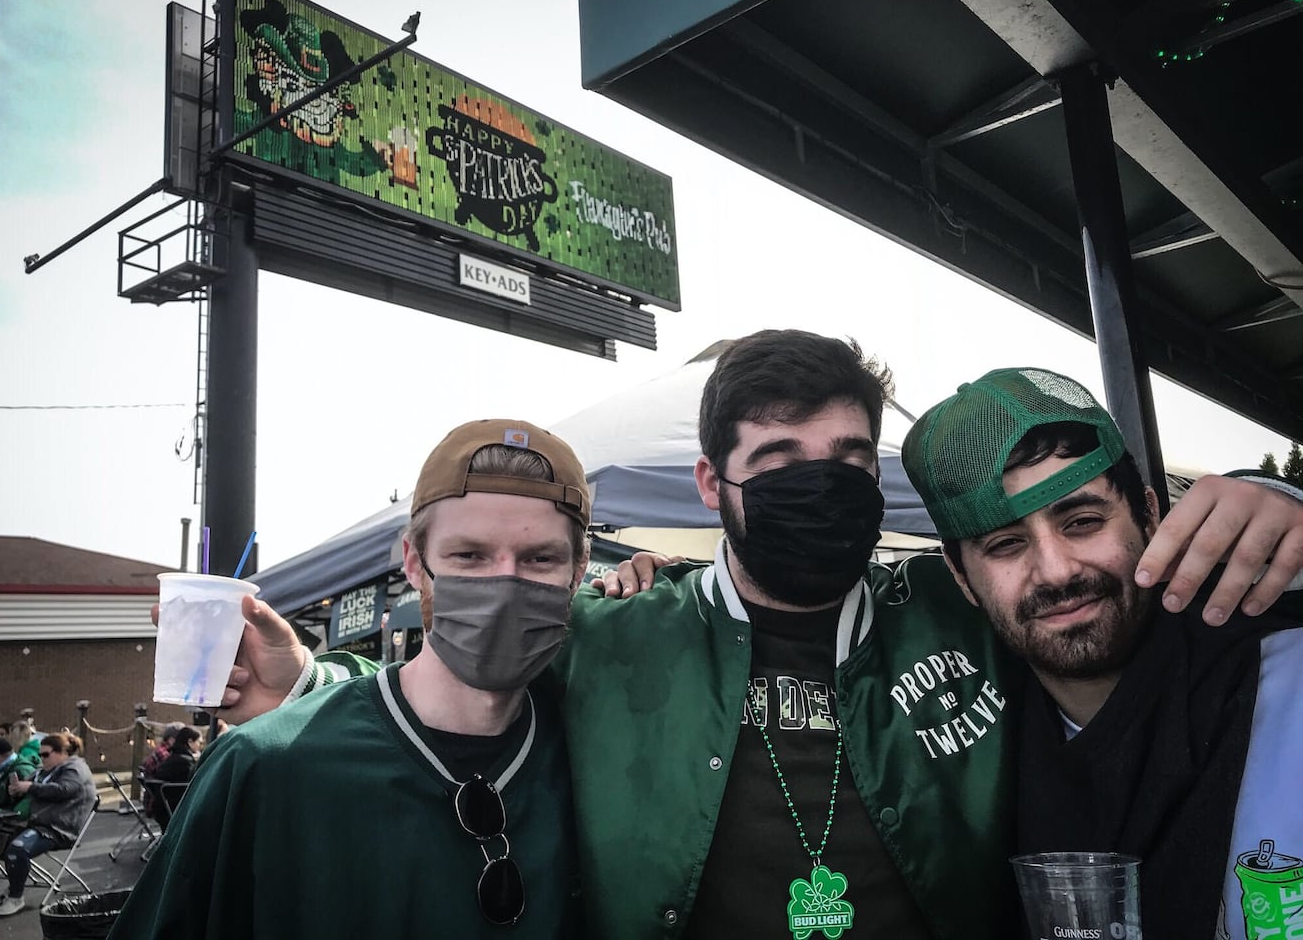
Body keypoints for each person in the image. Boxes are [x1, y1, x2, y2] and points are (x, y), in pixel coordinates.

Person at [207, 331, 1303, 940]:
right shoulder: (611, 636)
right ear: (710, 483)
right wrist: (308, 678)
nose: (817, 485)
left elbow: (1118, 601)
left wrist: (1276, 503)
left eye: (846, 459)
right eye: (778, 462)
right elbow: (464, 679)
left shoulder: (963, 604)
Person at [109, 419, 587, 939]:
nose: (505, 585)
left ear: (579, 571)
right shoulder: (261, 766)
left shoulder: (588, 753)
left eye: (541, 559)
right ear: (413, 562)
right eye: (469, 556)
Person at [901, 367, 1303, 940]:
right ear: (962, 577)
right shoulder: (976, 750)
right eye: (1005, 544)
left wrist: (1288, 499)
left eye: (1083, 522)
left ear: (1149, 514)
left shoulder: (1282, 677)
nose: (1056, 570)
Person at [0, 732, 97, 918]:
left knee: (17, 849)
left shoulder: (75, 769)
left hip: (58, 829)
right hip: (34, 824)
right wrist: (16, 789)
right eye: (40, 754)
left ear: (62, 752)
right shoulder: (45, 771)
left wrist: (29, 787)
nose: (41, 758)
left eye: (46, 754)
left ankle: (16, 897)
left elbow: (63, 790)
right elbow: (27, 785)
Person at [149, 726, 201, 830]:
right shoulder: (185, 762)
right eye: (199, 742)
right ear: (190, 742)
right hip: (176, 810)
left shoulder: (172, 758)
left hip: (162, 808)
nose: (200, 745)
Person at [140, 721, 183, 817]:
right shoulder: (165, 755)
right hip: (161, 803)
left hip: (155, 800)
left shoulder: (161, 750)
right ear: (172, 740)